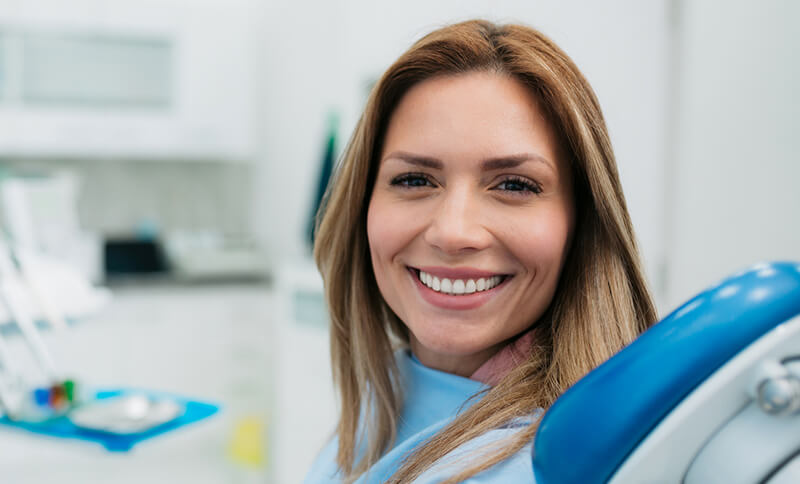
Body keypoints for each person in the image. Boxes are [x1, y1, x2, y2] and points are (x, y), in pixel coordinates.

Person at [306, 19, 656, 483]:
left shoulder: (548, 463)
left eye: (514, 185)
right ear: (363, 204)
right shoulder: (386, 394)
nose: (453, 233)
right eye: (414, 180)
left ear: (581, 224)